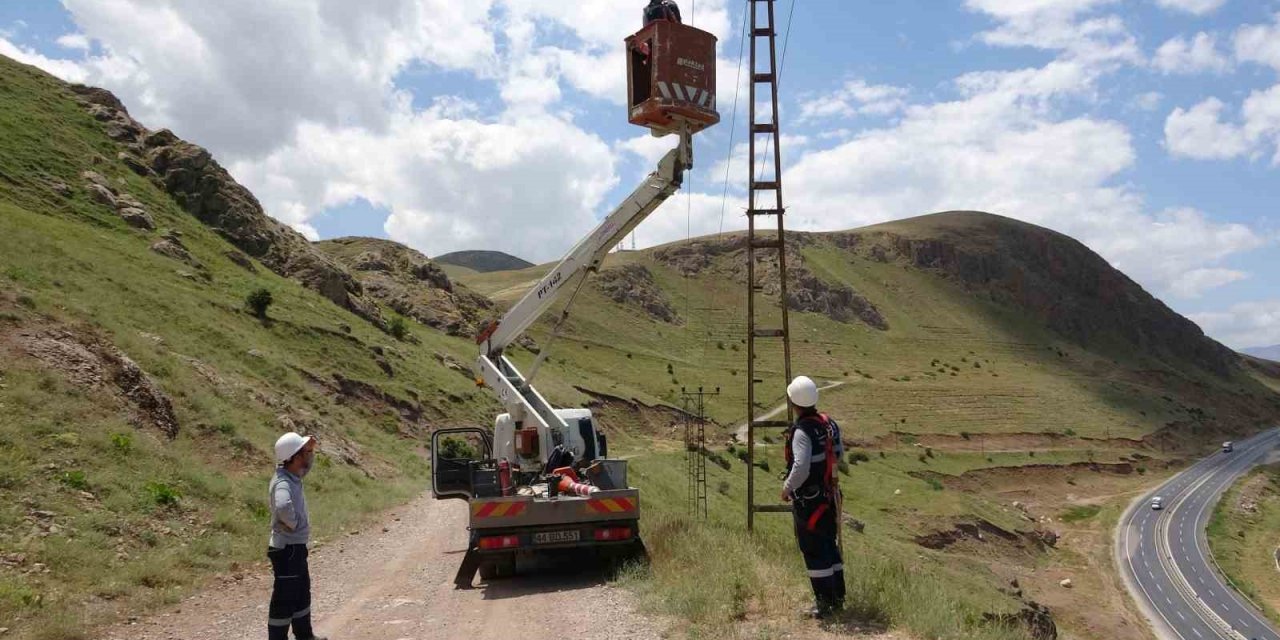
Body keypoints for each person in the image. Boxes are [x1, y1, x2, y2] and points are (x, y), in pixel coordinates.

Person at [780, 376, 845, 619]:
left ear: (794, 402)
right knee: (830, 546)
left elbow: (800, 468)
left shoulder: (801, 432)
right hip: (830, 497)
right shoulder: (830, 425)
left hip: (810, 502)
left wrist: (787, 489)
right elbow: (839, 454)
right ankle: (838, 598)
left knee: (814, 550)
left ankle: (825, 605)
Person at [267, 432, 327, 640]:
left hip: (295, 548)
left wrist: (309, 446)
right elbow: (283, 507)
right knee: (285, 598)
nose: (310, 456)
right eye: (307, 453)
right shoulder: (283, 482)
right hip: (287, 549)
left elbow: (305, 467)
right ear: (295, 457)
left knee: (301, 593)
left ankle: (305, 635)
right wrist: (294, 525)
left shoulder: (293, 476)